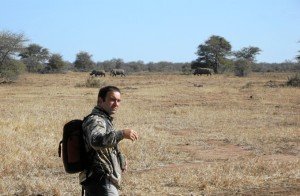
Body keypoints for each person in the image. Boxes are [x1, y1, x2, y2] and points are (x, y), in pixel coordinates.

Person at [80, 86, 138, 196]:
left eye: (118, 100)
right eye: (112, 99)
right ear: (100, 101)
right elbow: (96, 141)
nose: (116, 104)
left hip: (96, 179)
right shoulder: (96, 120)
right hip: (101, 179)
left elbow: (104, 148)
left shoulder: (104, 119)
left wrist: (119, 158)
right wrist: (121, 134)